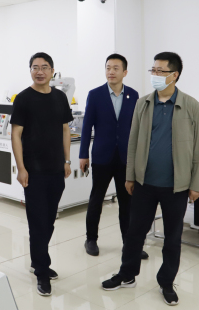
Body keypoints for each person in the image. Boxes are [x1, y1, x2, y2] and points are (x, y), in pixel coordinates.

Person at [102, 52, 199, 307]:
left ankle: (166, 282)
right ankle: (127, 274)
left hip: (176, 186)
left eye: (160, 71)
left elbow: (198, 148)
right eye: (153, 70)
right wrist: (130, 175)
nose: (155, 75)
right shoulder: (143, 104)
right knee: (135, 233)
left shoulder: (191, 105)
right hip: (144, 184)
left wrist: (196, 184)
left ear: (174, 75)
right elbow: (133, 142)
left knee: (172, 237)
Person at [11, 52, 72, 297]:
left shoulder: (60, 97)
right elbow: (16, 134)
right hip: (33, 172)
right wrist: (21, 168)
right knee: (37, 223)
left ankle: (39, 260)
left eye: (44, 67)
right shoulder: (23, 99)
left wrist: (67, 160)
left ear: (52, 71)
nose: (40, 71)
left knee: (49, 220)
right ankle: (42, 271)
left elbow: (65, 129)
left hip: (56, 169)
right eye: (35, 67)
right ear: (30, 71)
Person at [80, 54, 148, 260]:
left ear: (124, 72)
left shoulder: (133, 95)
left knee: (127, 203)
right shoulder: (95, 95)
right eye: (108, 67)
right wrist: (83, 154)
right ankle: (91, 239)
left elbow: (138, 128)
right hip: (102, 156)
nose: (111, 72)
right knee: (96, 199)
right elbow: (86, 127)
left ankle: (129, 243)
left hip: (126, 158)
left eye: (115, 68)